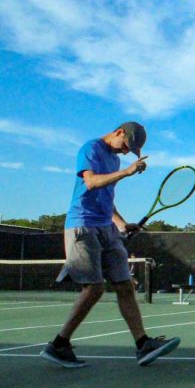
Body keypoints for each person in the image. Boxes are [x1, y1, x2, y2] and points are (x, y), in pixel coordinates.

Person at [40, 122, 181, 368]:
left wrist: (122, 224)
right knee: (93, 289)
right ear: (119, 133)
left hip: (106, 228)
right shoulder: (91, 148)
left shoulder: (115, 161)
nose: (127, 152)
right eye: (126, 146)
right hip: (82, 225)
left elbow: (106, 198)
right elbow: (92, 183)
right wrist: (127, 172)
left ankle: (143, 344)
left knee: (125, 285)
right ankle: (59, 345)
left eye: (131, 150)